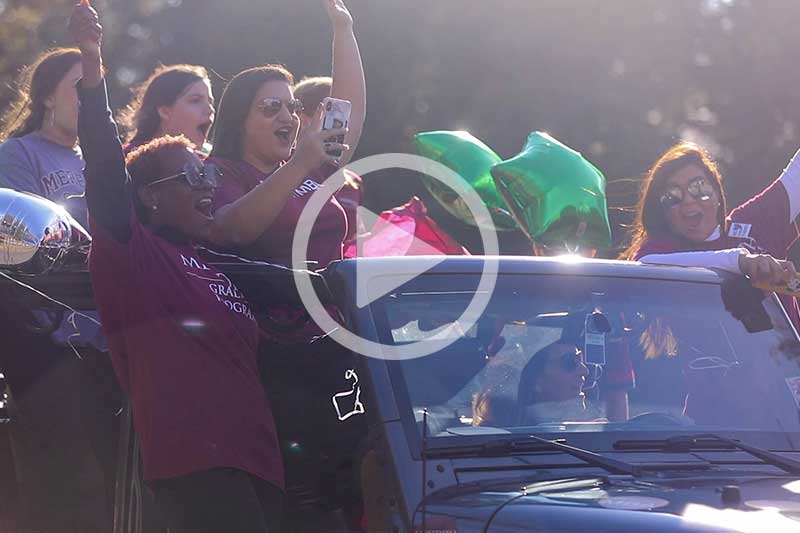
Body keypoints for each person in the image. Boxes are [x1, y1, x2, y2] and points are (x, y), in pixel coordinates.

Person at [70, 4, 287, 531]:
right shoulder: (133, 253)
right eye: (191, 179)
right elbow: (102, 163)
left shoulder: (214, 261)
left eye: (207, 177)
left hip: (258, 455)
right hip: (195, 459)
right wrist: (93, 64)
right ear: (149, 198)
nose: (208, 186)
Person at [0, 47, 118, 528]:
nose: (90, 101)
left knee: (119, 479)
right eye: (78, 87)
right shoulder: (17, 155)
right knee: (69, 488)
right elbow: (21, 243)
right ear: (47, 96)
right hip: (49, 345)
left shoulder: (107, 160)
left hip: (112, 340)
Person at [207, 0, 365, 269]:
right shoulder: (218, 171)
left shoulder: (310, 166)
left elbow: (349, 108)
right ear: (239, 119)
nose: (287, 117)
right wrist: (300, 164)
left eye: (292, 107)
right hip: (268, 309)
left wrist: (344, 30)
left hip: (329, 309)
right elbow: (234, 229)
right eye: (271, 107)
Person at [622, 142, 799, 324]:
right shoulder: (664, 251)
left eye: (699, 187)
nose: (689, 201)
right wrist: (739, 261)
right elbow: (644, 265)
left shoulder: (755, 221)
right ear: (664, 213)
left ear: (717, 192)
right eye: (672, 195)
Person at [294, 75, 364, 245]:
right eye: (334, 116)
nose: (345, 126)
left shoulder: (353, 181)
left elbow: (356, 234)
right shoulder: (283, 171)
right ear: (304, 119)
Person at [118, 63, 214, 154]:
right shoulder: (125, 161)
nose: (210, 109)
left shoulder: (211, 164)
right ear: (165, 111)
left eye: (211, 102)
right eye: (195, 100)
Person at [516, 342, 596, 425]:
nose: (584, 371)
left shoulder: (593, 429)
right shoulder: (522, 431)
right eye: (570, 361)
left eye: (580, 359)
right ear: (537, 381)